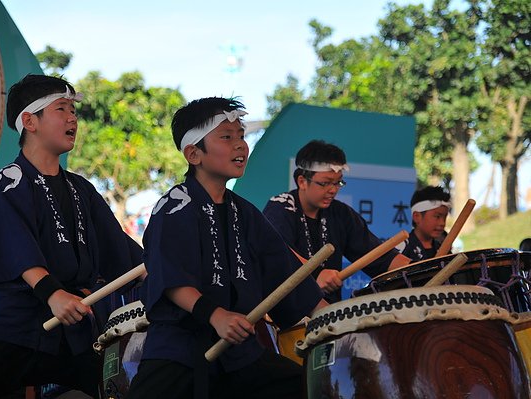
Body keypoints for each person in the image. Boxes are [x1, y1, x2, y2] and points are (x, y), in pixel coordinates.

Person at [0, 74, 144, 398]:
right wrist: (52, 293)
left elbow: (121, 250)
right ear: (30, 121)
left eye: (73, 110)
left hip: (70, 325)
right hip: (9, 324)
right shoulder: (6, 182)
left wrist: (163, 268)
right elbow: (16, 246)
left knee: (114, 389)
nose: (73, 118)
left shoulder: (81, 189)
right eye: (62, 109)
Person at [126, 97, 327, 399]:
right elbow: (169, 278)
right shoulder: (173, 206)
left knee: (306, 387)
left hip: (238, 354)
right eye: (226, 137)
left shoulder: (245, 213)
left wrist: (337, 319)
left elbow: (287, 276)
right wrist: (216, 315)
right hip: (180, 349)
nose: (240, 146)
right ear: (194, 153)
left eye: (241, 136)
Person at [263, 140, 410, 304]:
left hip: (328, 317)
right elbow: (277, 251)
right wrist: (316, 274)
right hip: (286, 315)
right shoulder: (281, 206)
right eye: (325, 183)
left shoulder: (341, 214)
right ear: (302, 181)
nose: (333, 190)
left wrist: (419, 270)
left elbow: (379, 257)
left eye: (338, 182)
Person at [397, 186, 451, 262]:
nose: (442, 223)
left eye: (444, 217)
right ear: (417, 217)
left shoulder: (443, 249)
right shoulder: (402, 247)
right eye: (437, 216)